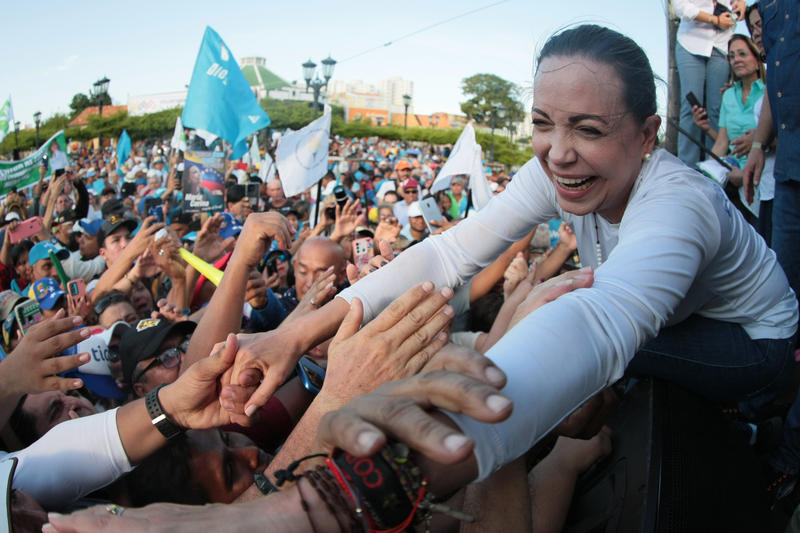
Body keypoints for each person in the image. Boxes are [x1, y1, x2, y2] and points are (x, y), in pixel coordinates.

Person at [228, 24, 797, 497]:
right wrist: (294, 335)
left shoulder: (679, 202)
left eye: (588, 129)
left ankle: (752, 422)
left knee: (582, 320)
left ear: (647, 135)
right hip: (669, 322)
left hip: (749, 341)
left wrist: (357, 496)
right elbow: (449, 254)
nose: (558, 152)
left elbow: (601, 321)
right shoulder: (551, 172)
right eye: (543, 123)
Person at [673, 0, 746, 168]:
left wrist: (740, 4)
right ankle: (687, 170)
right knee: (692, 107)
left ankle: (713, 170)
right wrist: (715, 20)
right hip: (690, 42)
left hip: (721, 45)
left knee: (718, 109)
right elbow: (681, 7)